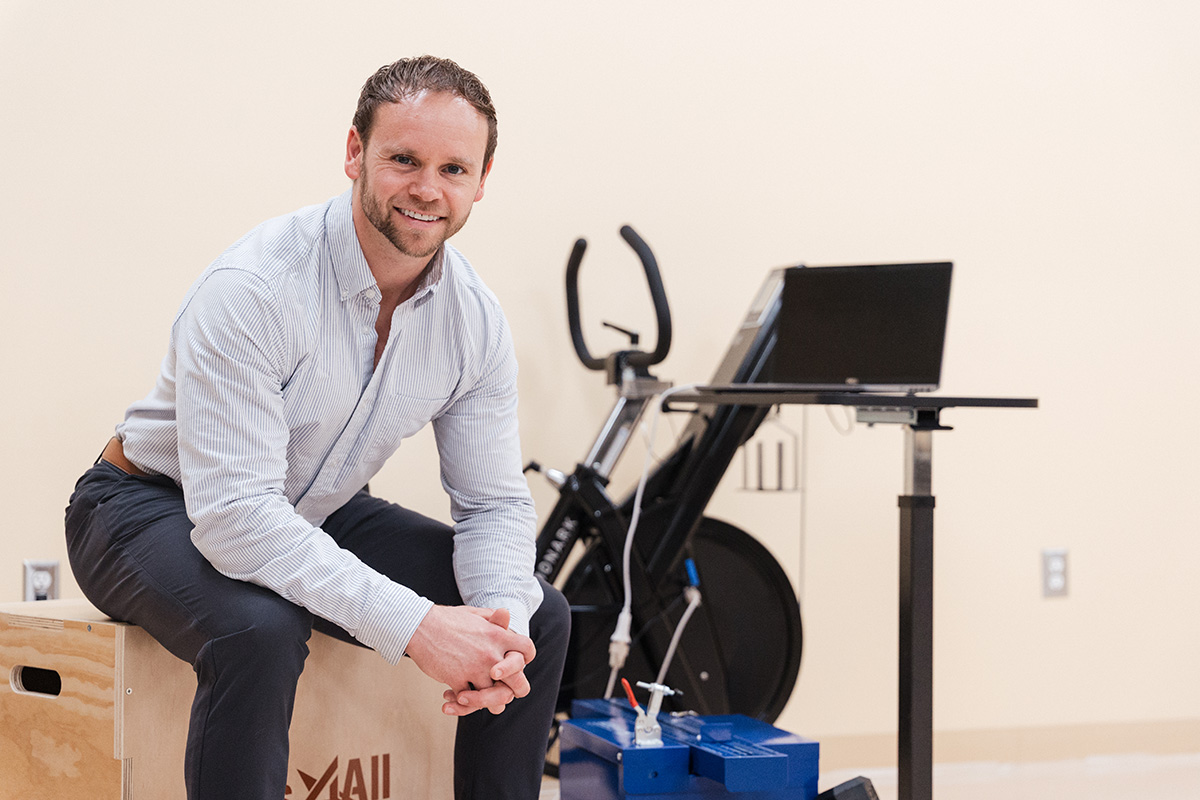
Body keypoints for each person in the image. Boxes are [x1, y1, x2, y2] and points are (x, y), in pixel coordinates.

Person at [64, 55, 568, 800]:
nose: (427, 189)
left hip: (312, 506)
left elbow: (491, 505)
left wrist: (501, 634)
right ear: (355, 154)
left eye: (454, 169)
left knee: (540, 613)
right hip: (143, 507)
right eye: (403, 159)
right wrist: (420, 626)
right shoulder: (255, 290)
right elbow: (235, 518)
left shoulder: (474, 321)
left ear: (482, 181)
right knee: (259, 630)